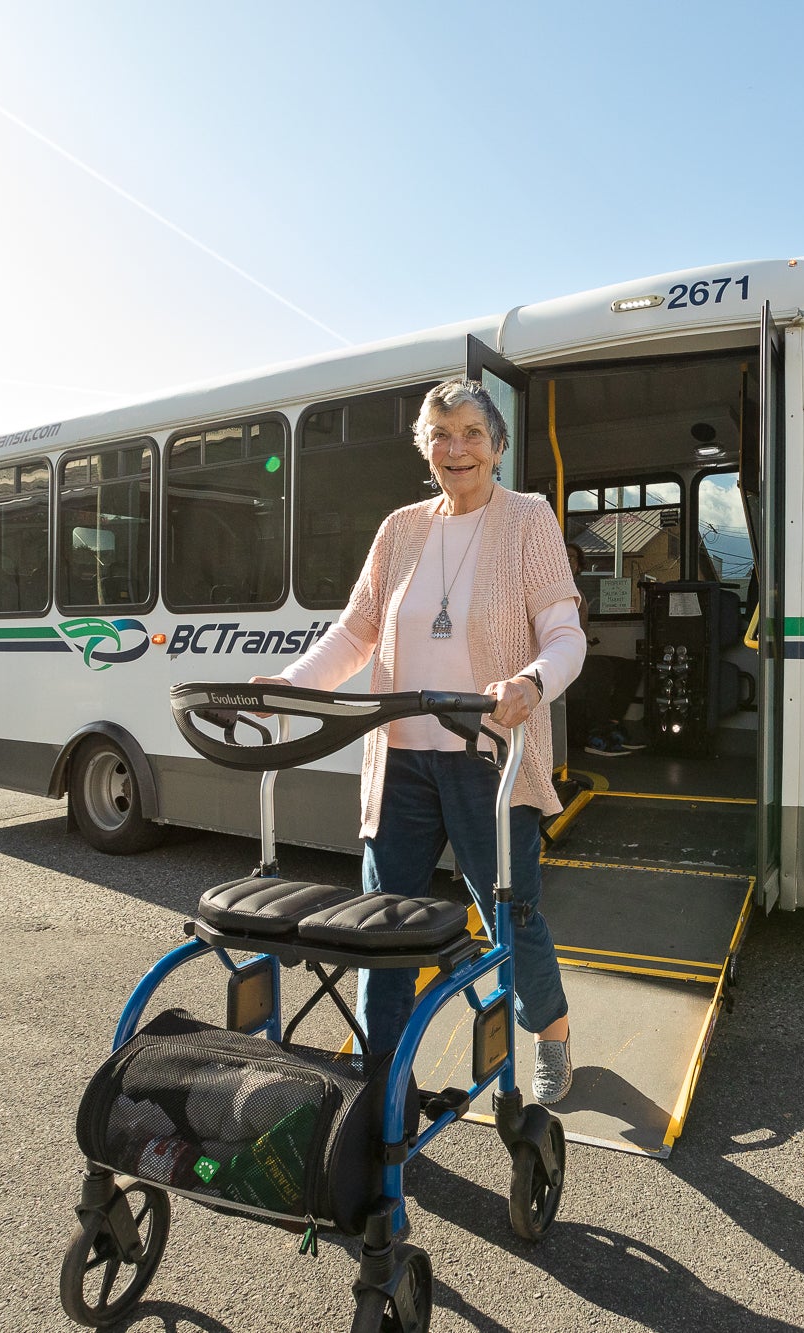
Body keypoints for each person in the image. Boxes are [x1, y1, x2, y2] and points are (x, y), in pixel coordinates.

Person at [254, 379, 585, 1104]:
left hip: (487, 758)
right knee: (386, 921)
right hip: (400, 759)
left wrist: (531, 681)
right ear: (425, 450)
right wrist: (292, 683)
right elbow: (355, 631)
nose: (456, 447)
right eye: (441, 433)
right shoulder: (401, 528)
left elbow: (565, 635)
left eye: (471, 432)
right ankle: (385, 1075)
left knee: (512, 912)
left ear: (497, 445)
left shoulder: (527, 519)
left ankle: (550, 1032)